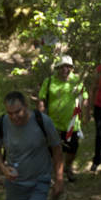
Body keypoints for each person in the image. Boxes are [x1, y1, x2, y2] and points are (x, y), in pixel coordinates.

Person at [37, 55, 88, 183]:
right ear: (57, 68)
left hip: (72, 124)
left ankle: (68, 167)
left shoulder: (77, 81)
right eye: (62, 66)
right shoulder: (49, 81)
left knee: (72, 149)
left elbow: (84, 97)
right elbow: (41, 99)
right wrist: (40, 117)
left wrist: (87, 114)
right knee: (55, 150)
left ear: (71, 68)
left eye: (68, 66)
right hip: (53, 123)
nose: (65, 69)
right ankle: (56, 174)